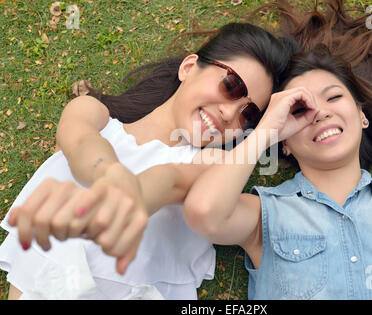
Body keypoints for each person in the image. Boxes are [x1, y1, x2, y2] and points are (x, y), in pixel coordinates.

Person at [0, 22, 294, 300]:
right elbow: (82, 144)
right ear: (189, 67)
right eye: (231, 86)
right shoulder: (92, 113)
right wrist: (111, 177)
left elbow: (171, 180)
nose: (231, 114)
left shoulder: (215, 164)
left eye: (249, 114)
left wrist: (129, 196)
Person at [180, 2, 372, 298]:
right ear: (284, 143)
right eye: (299, 110)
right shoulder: (263, 215)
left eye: (333, 96)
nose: (320, 114)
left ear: (362, 115)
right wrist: (266, 131)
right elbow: (204, 213)